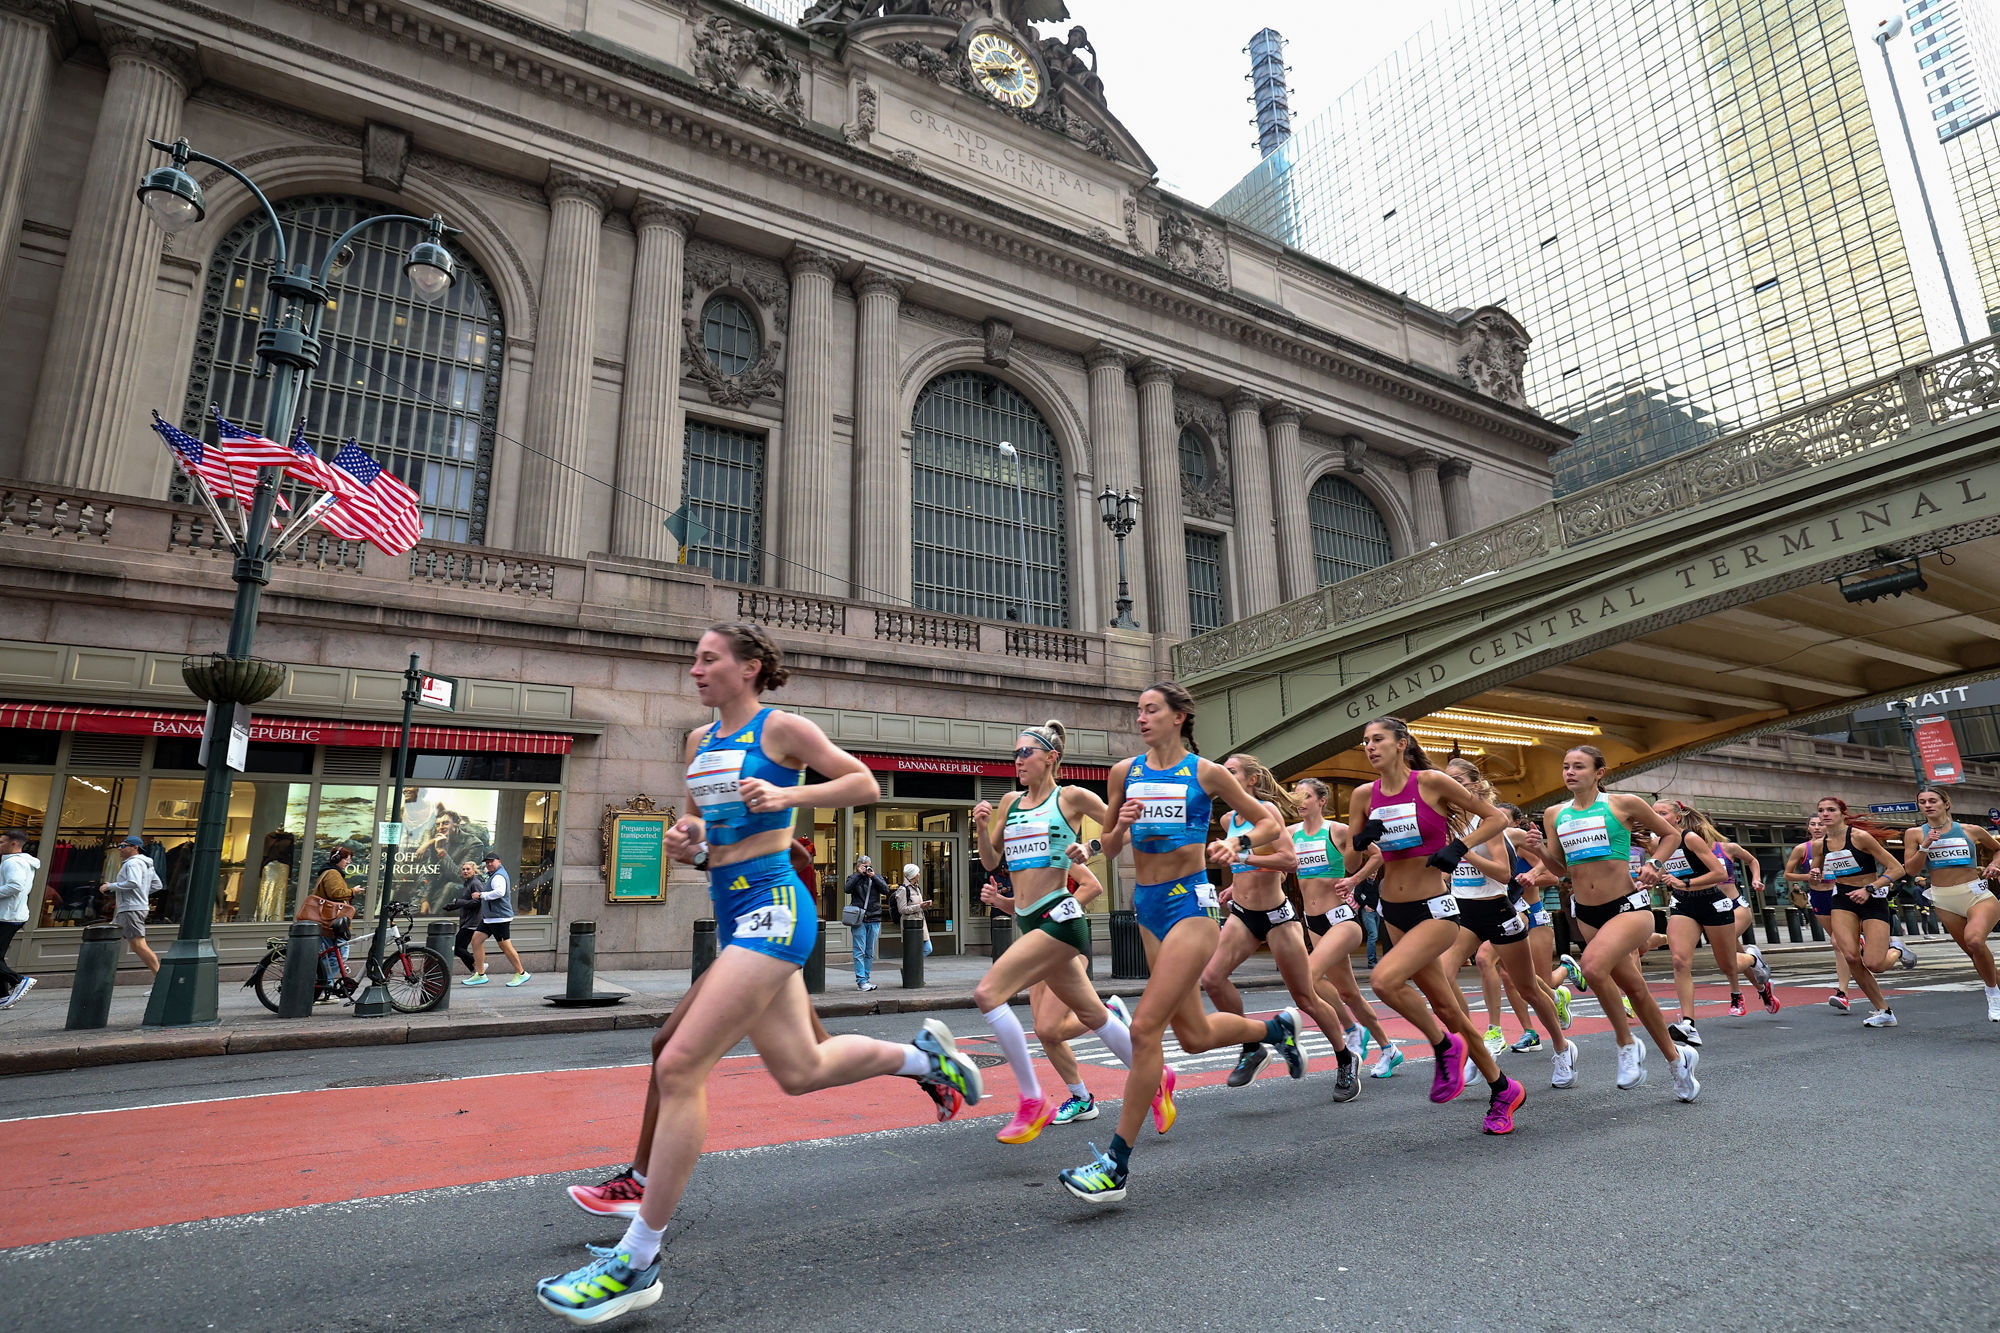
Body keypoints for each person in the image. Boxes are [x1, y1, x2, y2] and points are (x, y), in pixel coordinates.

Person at [537, 623, 981, 1324]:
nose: (695, 668)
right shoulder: (696, 744)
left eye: (708, 658)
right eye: (694, 657)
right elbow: (700, 839)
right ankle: (922, 1057)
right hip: (735, 905)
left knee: (680, 1063)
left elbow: (860, 780)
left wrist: (787, 800)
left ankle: (638, 1257)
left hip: (778, 905)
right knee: (801, 1067)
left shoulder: (782, 730)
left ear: (749, 667)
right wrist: (690, 844)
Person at [564, 838, 963, 1221]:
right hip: (750, 929)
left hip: (770, 928)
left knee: (676, 1055)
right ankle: (925, 1059)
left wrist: (713, 851)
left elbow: (797, 854)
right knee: (808, 1060)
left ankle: (642, 1194)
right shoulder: (706, 784)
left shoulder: (748, 779)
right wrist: (706, 856)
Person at [1057, 682, 1308, 1205]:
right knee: (1191, 1035)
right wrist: (1109, 833)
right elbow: (1108, 843)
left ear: (1178, 717)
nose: (1142, 718)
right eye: (1139, 711)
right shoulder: (1125, 772)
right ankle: (1275, 1027)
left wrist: (1235, 841)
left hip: (1191, 902)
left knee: (1147, 1026)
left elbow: (1270, 820)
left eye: (1151, 710)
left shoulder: (1205, 773)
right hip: (1147, 904)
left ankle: (1115, 1165)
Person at [1345, 718, 1528, 1133]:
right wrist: (1361, 841)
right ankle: (1504, 1089)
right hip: (1393, 911)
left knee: (1385, 980)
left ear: (1401, 744)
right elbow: (1351, 865)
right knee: (1447, 1008)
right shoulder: (1362, 795)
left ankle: (1445, 1046)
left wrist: (1459, 846)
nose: (1369, 747)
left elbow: (1495, 819)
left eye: (1378, 739)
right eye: (1365, 741)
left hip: (1436, 910)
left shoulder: (1430, 783)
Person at [969, 720, 1146, 1142]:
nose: (1017, 761)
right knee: (1092, 1015)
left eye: (1025, 753)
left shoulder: (1071, 797)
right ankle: (1157, 1080)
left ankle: (1033, 1100)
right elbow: (993, 862)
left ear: (1051, 757)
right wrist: (980, 825)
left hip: (1060, 918)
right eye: (1014, 754)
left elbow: (1121, 829)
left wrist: (1092, 848)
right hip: (1027, 919)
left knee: (988, 994)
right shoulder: (1010, 802)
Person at [1540, 746, 1699, 1101]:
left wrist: (1655, 864)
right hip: (1586, 912)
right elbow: (1560, 869)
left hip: (1628, 907)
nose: (1569, 772)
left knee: (1593, 968)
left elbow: (1670, 835)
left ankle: (1627, 1044)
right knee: (1636, 990)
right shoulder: (1555, 814)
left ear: (1599, 772)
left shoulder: (1622, 804)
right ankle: (1678, 1061)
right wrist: (1539, 852)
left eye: (1578, 766)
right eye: (1565, 766)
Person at [1201, 753, 1359, 1101]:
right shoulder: (1229, 818)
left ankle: (1346, 1058)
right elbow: (1244, 869)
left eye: (1231, 773)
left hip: (1276, 918)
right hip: (1243, 914)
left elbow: (1289, 861)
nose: (1223, 777)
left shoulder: (1266, 813)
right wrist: (1233, 884)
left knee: (1305, 997)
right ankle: (1252, 1046)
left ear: (1251, 780)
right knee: (1211, 979)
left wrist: (1244, 857)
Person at [1440, 761, 1577, 1090]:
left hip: (1498, 909)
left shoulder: (1491, 821)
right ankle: (1476, 1051)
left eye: (1457, 780)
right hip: (1463, 912)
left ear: (1474, 785)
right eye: (1447, 781)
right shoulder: (1446, 823)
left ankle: (1562, 1048)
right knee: (1441, 980)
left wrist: (1465, 853)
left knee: (1528, 988)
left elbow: (1503, 873)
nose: (1450, 786)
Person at [1289, 779, 1399, 1078]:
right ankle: (1388, 1048)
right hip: (1312, 920)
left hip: (1340, 919)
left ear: (1321, 800)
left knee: (1307, 977)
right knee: (1349, 993)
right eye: (1296, 795)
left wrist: (1354, 880)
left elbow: (1376, 855)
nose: (1300, 800)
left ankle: (1350, 1029)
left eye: (1307, 795)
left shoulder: (1335, 830)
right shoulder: (1291, 834)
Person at [1902, 786, 2000, 1021]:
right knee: (1975, 953)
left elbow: (1998, 849)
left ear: (1946, 804)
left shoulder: (1971, 830)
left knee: (1974, 940)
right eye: (1922, 801)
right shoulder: (1914, 834)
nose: (1928, 805)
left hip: (1976, 894)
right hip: (1944, 898)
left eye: (1933, 800)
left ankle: (1992, 995)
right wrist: (1925, 845)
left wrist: (1996, 865)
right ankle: (1995, 987)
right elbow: (1911, 870)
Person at [1813, 796, 1912, 1028]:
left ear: (1842, 813)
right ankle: (1884, 1011)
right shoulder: (1820, 844)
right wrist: (1815, 874)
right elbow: (1818, 868)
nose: (1825, 814)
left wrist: (1870, 888)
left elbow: (1897, 868)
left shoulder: (1859, 837)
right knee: (1850, 956)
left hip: (1872, 898)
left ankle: (1896, 949)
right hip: (1842, 899)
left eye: (1831, 810)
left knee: (1875, 963)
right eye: (1821, 810)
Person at [1782, 813, 1858, 1010]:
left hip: (1839, 892)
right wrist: (1809, 875)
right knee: (1839, 942)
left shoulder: (1839, 843)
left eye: (1820, 824)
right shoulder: (1802, 849)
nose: (1817, 827)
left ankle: (1843, 993)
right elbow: (1787, 874)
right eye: (1813, 824)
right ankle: (1864, 944)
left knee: (1837, 943)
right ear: (1808, 828)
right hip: (1818, 896)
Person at [464, 851, 530, 987]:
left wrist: (481, 895)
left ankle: (522, 973)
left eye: (491, 862)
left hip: (499, 918)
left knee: (505, 946)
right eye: (487, 862)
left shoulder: (498, 876)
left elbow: (500, 892)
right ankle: (480, 974)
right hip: (490, 918)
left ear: (499, 862)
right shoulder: (494, 875)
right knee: (476, 941)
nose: (489, 864)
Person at [104, 835, 161, 978]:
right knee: (115, 939)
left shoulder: (132, 863)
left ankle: (161, 981)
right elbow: (157, 885)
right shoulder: (146, 864)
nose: (119, 849)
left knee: (139, 944)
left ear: (134, 848)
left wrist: (110, 886)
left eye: (123, 846)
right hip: (134, 907)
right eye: (119, 846)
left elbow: (133, 882)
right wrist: (141, 894)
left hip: (131, 908)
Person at [307, 846, 358, 994]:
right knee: (340, 954)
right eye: (347, 859)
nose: (348, 862)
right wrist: (353, 891)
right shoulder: (333, 873)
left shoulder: (329, 872)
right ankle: (319, 986)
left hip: (329, 921)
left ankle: (322, 988)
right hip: (332, 922)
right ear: (338, 859)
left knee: (332, 955)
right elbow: (336, 893)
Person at [843, 855, 893, 991]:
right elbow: (847, 889)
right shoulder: (853, 878)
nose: (867, 868)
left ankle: (866, 978)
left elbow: (886, 890)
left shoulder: (876, 877)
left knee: (869, 952)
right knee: (859, 951)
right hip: (859, 919)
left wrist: (874, 876)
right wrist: (859, 875)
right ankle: (861, 981)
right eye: (864, 865)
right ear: (858, 866)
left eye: (868, 865)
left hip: (874, 918)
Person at [0, 828, 37, 1008]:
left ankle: (19, 980)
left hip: (6, 916)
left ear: (13, 843)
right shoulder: (22, 862)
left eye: (1, 842)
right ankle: (2, 997)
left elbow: (15, 886)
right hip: (13, 914)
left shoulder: (12, 862)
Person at [445, 861, 488, 978]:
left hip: (473, 922)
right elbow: (467, 901)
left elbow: (478, 902)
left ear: (473, 871)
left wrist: (459, 902)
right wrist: (453, 906)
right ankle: (475, 971)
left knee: (457, 947)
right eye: (463, 869)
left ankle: (479, 965)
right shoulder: (467, 883)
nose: (465, 871)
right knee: (460, 948)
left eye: (468, 869)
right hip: (467, 921)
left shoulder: (475, 883)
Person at [892, 863, 934, 959]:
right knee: (919, 949)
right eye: (917, 872)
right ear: (913, 875)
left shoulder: (917, 888)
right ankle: (910, 968)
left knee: (927, 948)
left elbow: (918, 904)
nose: (919, 874)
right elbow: (902, 909)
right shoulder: (903, 890)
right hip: (911, 924)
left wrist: (925, 905)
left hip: (920, 923)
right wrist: (919, 906)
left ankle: (911, 968)